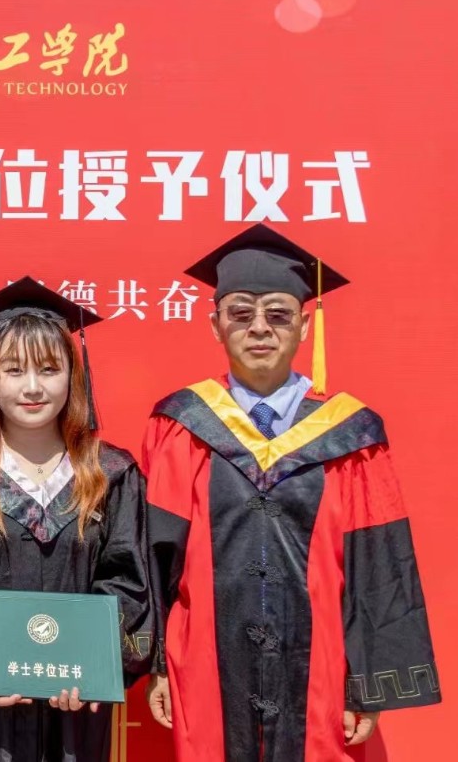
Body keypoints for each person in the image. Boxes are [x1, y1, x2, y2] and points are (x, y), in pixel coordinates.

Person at [143, 224, 441, 761]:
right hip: (206, 663)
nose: (259, 327)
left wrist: (366, 685)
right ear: (216, 325)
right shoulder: (181, 424)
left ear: (305, 326)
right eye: (241, 313)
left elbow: (377, 562)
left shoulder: (351, 433)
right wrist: (159, 663)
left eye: (278, 314)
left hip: (320, 666)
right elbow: (155, 554)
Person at [0, 277, 153, 762]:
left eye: (49, 369)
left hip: (71, 706)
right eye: (13, 369)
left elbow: (128, 582)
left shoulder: (109, 472)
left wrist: (90, 663)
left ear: (72, 375)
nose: (32, 387)